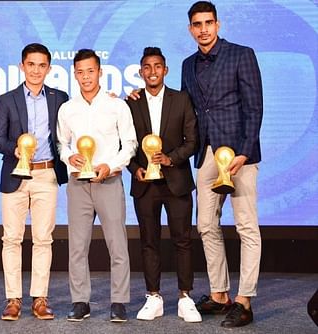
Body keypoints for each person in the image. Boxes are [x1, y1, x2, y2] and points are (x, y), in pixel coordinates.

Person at [182, 1, 263, 328]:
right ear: (190, 28)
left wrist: (244, 152)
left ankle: (244, 300)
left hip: (240, 156)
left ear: (218, 24)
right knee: (206, 226)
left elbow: (254, 107)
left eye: (208, 23)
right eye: (197, 24)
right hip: (206, 155)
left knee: (246, 226)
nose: (203, 29)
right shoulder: (188, 64)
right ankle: (220, 294)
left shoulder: (242, 54)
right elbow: (187, 109)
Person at [57, 49, 137, 323]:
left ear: (100, 72)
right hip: (78, 183)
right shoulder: (67, 109)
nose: (86, 76)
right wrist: (69, 156)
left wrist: (110, 166)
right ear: (75, 74)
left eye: (91, 71)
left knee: (117, 243)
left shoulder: (117, 106)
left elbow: (129, 144)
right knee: (77, 245)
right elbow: (61, 144)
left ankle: (119, 301)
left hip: (109, 180)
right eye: (80, 71)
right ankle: (80, 301)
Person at [0, 43, 69, 321]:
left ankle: (40, 299)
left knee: (43, 240)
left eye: (42, 65)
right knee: (11, 238)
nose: (36, 70)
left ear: (49, 68)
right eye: (31, 64)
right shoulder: (6, 99)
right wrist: (15, 149)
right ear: (21, 66)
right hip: (15, 174)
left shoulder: (60, 98)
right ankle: (13, 299)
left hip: (46, 174)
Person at [126, 47, 201, 323]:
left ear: (165, 70)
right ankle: (153, 296)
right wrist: (135, 169)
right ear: (141, 71)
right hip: (145, 183)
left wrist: (171, 159)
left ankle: (185, 297)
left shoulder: (182, 100)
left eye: (157, 66)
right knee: (149, 242)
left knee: (183, 240)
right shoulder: (130, 103)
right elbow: (124, 144)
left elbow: (192, 141)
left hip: (177, 181)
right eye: (147, 67)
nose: (152, 71)